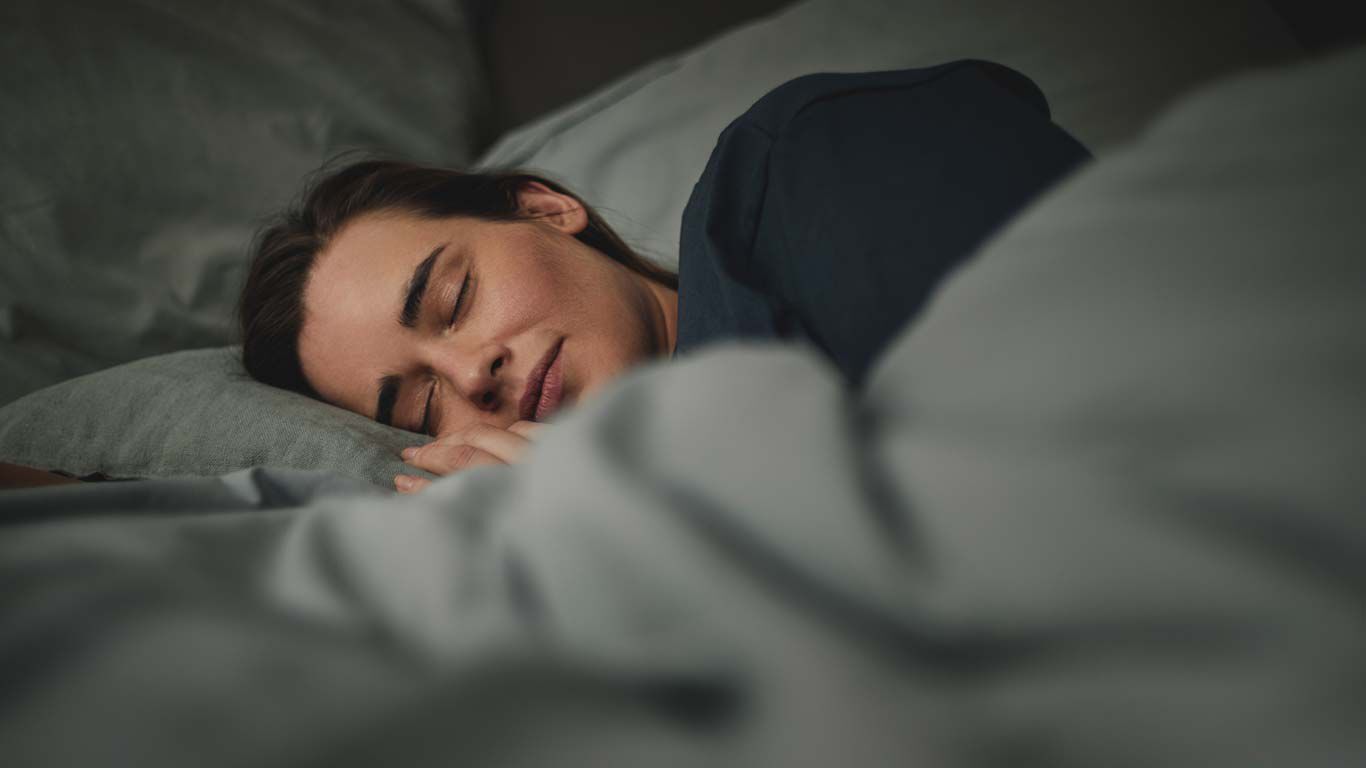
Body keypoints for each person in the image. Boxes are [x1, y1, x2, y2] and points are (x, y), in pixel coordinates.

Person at [238, 60, 1090, 494]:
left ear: (542, 208)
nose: (472, 376)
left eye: (453, 300)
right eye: (423, 406)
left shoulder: (798, 168)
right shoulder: (583, 528)